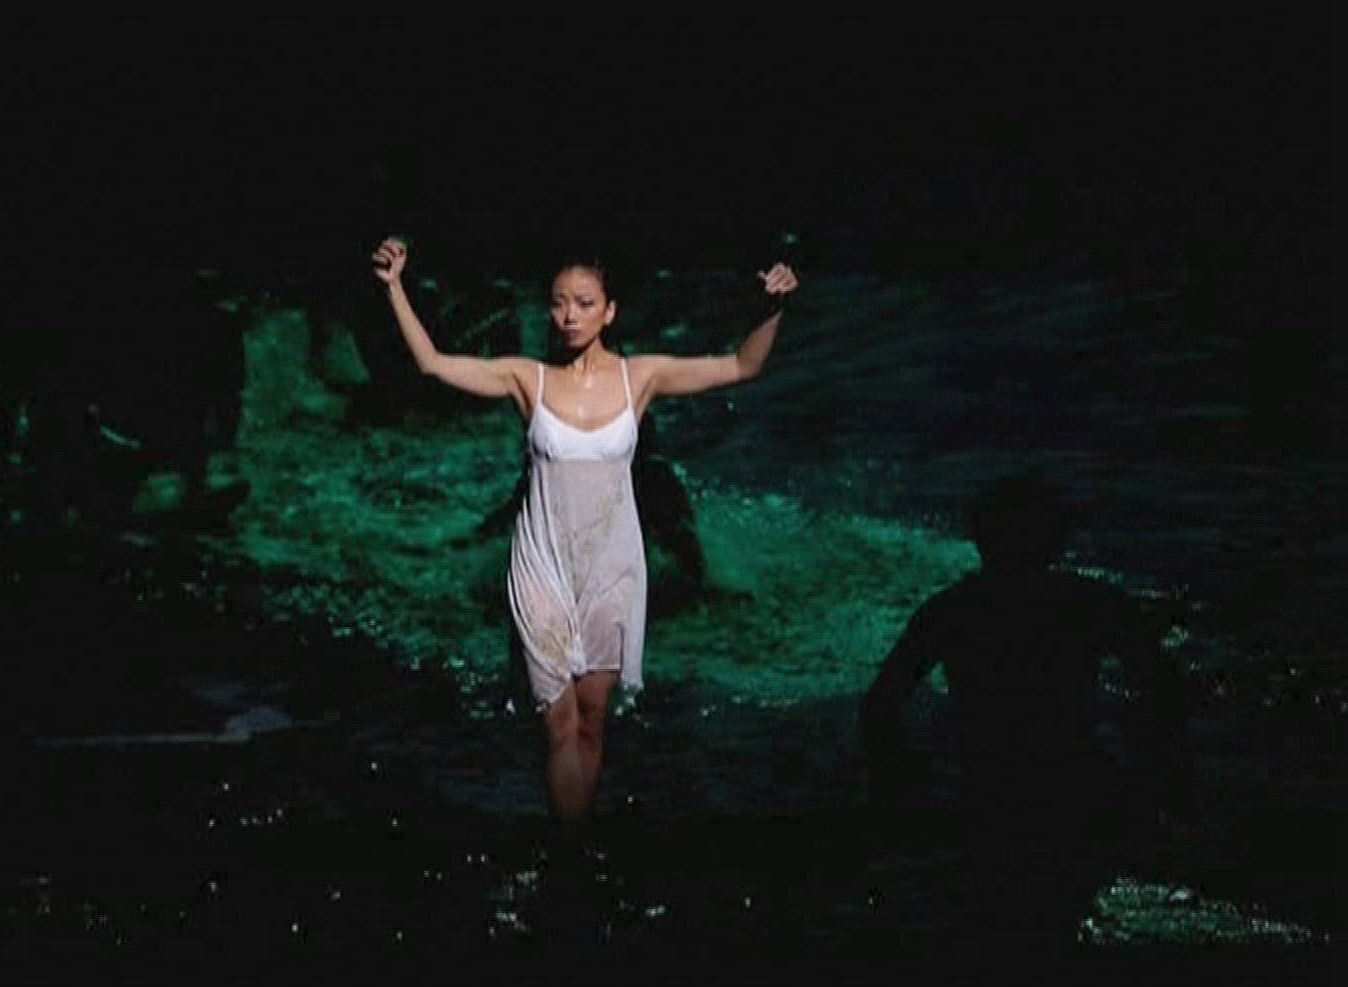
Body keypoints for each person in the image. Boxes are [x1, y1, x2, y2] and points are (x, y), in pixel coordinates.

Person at [372, 235, 798, 823]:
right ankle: (566, 846)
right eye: (558, 303)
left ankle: (572, 838)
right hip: (541, 565)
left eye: (584, 303)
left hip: (611, 570)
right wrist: (394, 287)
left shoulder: (639, 377)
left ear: (609, 311)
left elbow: (741, 365)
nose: (569, 315)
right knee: (558, 723)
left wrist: (772, 308)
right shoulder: (528, 379)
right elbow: (432, 363)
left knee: (593, 721)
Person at [845, 468, 1194, 943]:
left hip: (986, 787)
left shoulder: (951, 609)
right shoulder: (1092, 603)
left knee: (996, 918)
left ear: (980, 539)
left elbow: (881, 706)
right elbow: (1163, 689)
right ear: (1055, 539)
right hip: (1074, 779)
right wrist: (1155, 773)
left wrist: (899, 786)